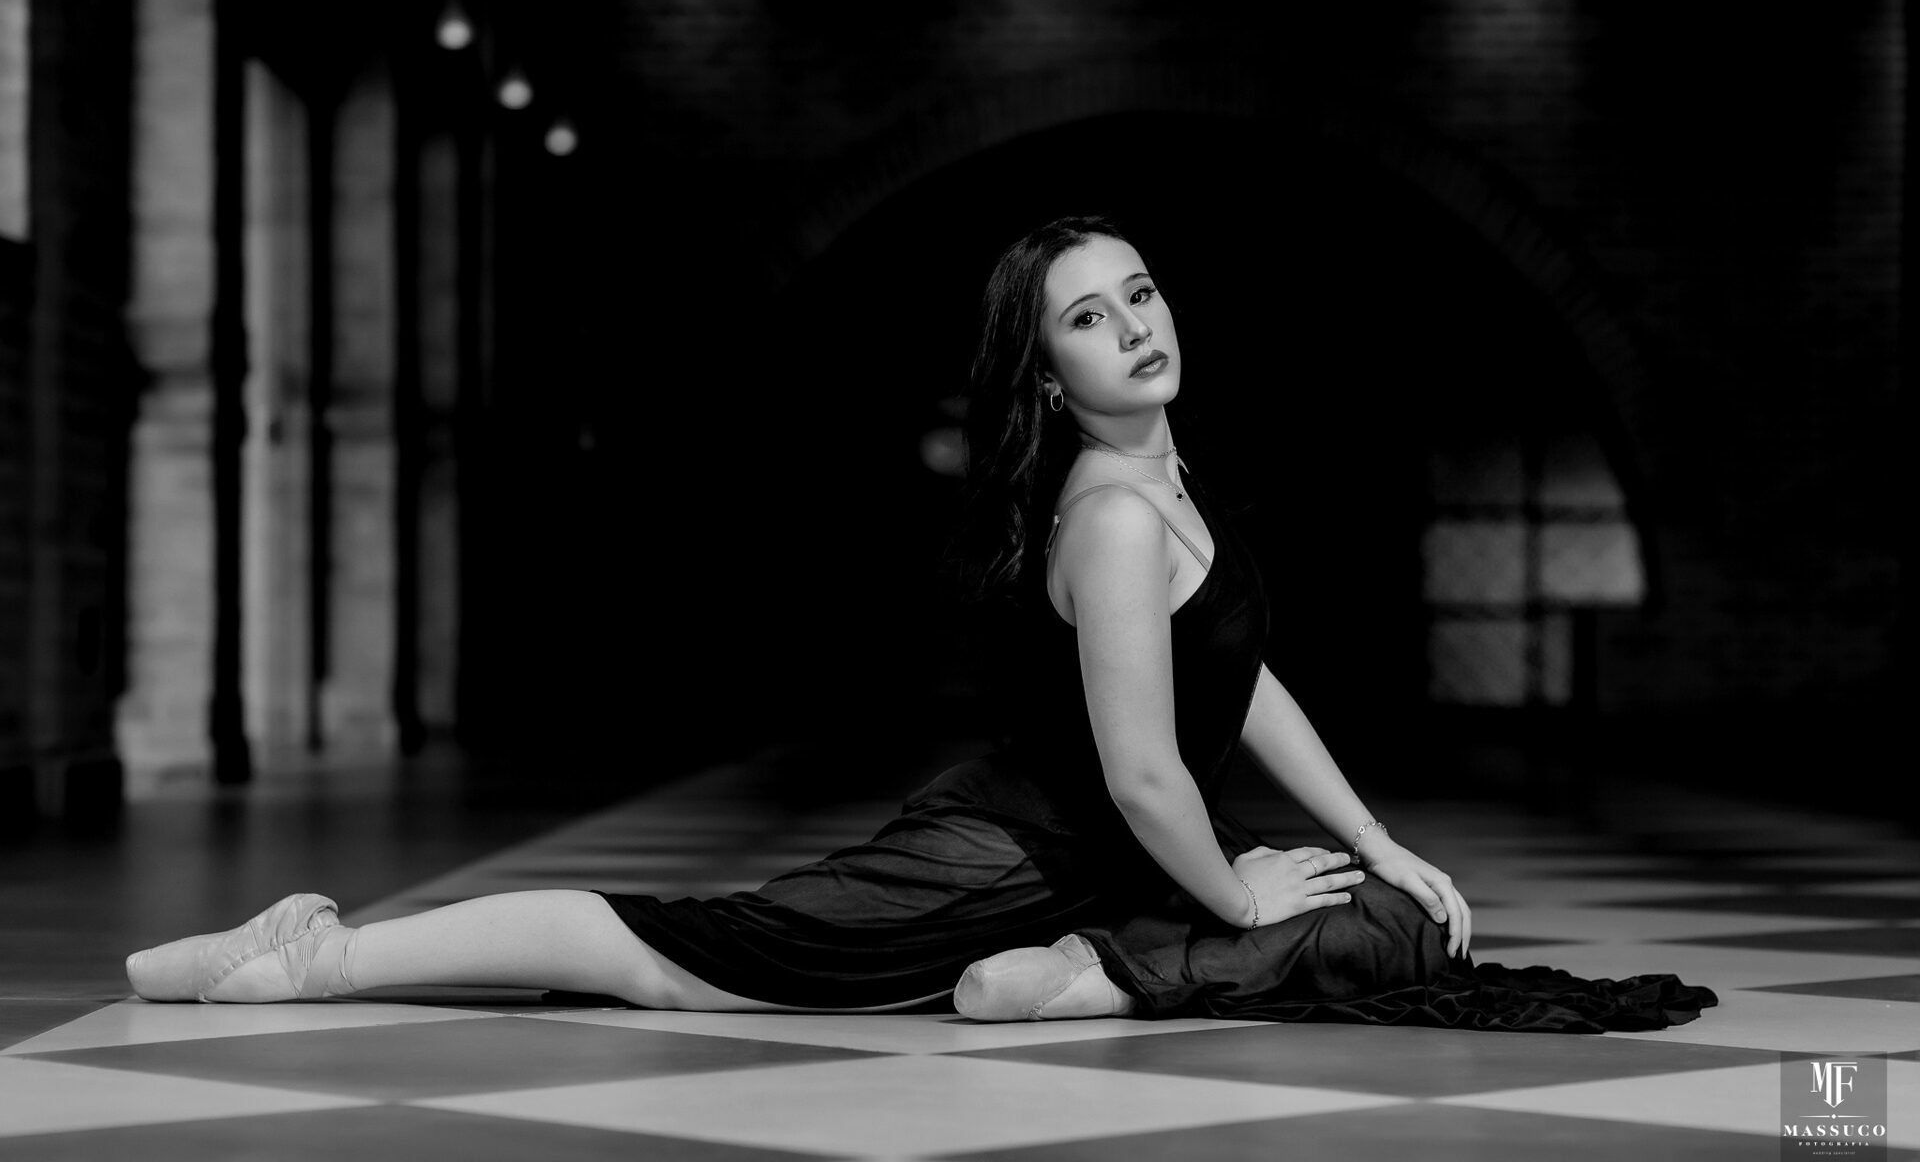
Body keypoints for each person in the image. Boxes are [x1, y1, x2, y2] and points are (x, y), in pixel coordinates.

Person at [127, 216, 1715, 1032]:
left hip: (1099, 866)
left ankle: (1083, 975)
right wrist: (1238, 886)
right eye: (1087, 317)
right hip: (1016, 858)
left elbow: (1239, 680)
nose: (1133, 326)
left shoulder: (1171, 484)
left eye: (1140, 292)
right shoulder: (1110, 518)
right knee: (688, 959)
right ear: (1050, 375)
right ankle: (319, 956)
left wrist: (1373, 836)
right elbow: (1147, 771)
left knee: (1402, 917)